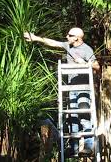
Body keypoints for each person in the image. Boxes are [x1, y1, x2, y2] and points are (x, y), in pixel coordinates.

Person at [24, 27, 100, 155]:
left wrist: (85, 63)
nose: (67, 36)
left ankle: (88, 146)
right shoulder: (68, 46)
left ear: (77, 37)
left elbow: (97, 66)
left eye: (69, 35)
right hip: (71, 88)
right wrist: (35, 38)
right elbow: (53, 42)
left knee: (84, 113)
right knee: (73, 117)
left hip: (83, 87)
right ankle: (74, 148)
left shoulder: (87, 49)